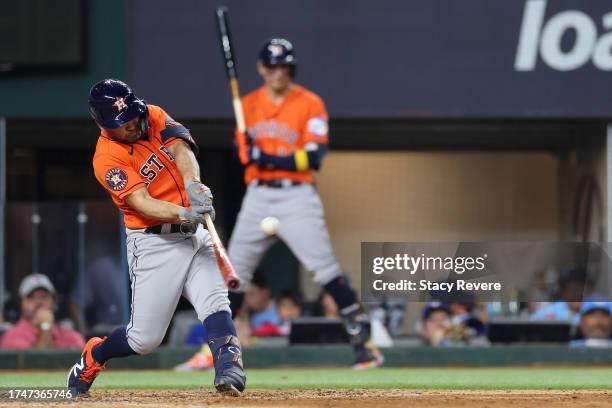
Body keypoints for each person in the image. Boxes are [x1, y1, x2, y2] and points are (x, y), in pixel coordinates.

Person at [66, 79, 245, 396]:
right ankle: (96, 354)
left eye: (133, 115)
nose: (133, 124)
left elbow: (181, 148)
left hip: (194, 234)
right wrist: (182, 212)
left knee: (215, 303)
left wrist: (194, 186)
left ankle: (229, 369)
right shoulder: (106, 158)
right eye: (122, 123)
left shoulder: (153, 114)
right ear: (102, 124)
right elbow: (142, 202)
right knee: (144, 340)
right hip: (154, 243)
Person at [228, 38, 383, 369]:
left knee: (325, 269)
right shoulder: (249, 105)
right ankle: (217, 350)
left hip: (296, 196)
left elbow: (313, 156)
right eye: (272, 66)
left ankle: (363, 344)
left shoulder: (310, 103)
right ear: (261, 68)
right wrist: (242, 151)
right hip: (257, 196)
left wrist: (265, 155)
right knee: (232, 275)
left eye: (285, 66)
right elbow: (243, 153)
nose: (278, 73)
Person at [0, 274, 84, 350]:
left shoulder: (72, 337)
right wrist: (46, 326)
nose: (38, 302)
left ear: (53, 301)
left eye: (44, 297)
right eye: (31, 297)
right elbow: (36, 364)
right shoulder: (12, 337)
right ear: (21, 302)